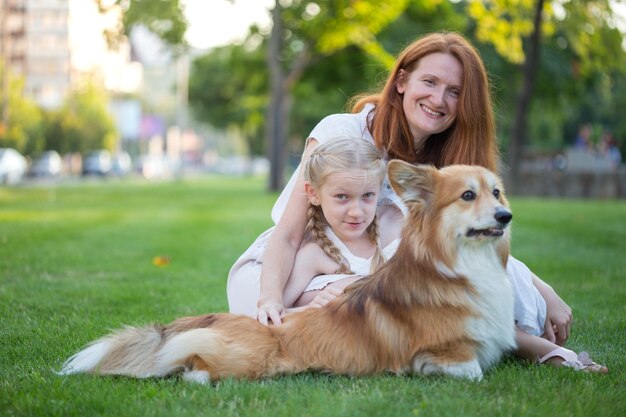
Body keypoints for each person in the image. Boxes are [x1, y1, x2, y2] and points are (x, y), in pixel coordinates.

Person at [226, 32, 606, 373]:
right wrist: (272, 299)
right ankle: (316, 315)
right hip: (302, 265)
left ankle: (510, 341)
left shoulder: (448, 167)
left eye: (454, 91)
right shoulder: (342, 132)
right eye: (430, 82)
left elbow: (474, 243)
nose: (439, 99)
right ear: (403, 81)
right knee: (267, 319)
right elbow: (289, 236)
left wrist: (545, 290)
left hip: (385, 276)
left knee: (479, 286)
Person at [281, 138, 399, 310]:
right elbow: (277, 314)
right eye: (342, 197)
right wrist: (310, 308)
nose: (356, 212)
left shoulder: (396, 234)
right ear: (314, 194)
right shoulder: (314, 255)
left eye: (367, 195)